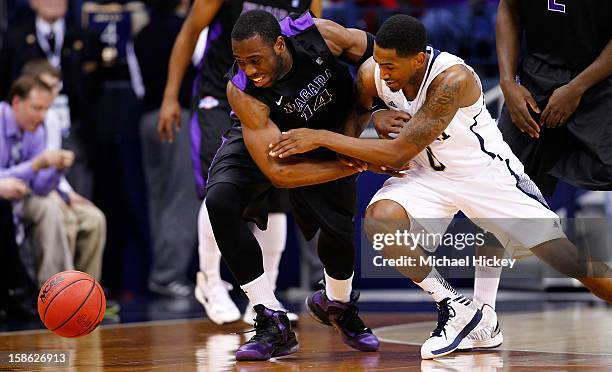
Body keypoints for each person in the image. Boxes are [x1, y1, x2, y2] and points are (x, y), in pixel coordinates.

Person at [268, 14, 612, 359]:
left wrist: (318, 137)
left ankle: (485, 318)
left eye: (391, 66)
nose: (384, 74)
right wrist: (374, 116)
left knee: (573, 263)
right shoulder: (373, 73)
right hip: (429, 176)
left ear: (418, 60)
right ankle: (455, 306)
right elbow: (359, 109)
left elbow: (398, 152)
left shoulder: (452, 79)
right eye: (380, 64)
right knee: (380, 217)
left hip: (484, 177)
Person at [205, 10, 381, 360]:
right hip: (266, 136)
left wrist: (377, 112)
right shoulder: (242, 90)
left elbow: (384, 60)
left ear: (281, 45)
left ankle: (339, 304)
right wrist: (355, 164)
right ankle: (270, 319)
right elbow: (279, 174)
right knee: (220, 198)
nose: (249, 70)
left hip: (326, 131)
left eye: (256, 60)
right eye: (241, 62)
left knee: (339, 234)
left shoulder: (322, 36)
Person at [158, 0, 321, 324]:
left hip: (272, 99)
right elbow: (190, 32)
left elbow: (314, 44)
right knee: (221, 184)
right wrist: (170, 96)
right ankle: (209, 279)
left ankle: (265, 298)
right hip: (219, 95)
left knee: (277, 193)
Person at [496, 0, 612, 195]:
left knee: (606, 168)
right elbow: (509, 8)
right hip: (538, 72)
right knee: (501, 170)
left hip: (599, 74)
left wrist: (576, 87)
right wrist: (507, 82)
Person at [0, 0, 101, 198]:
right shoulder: (15, 38)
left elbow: (95, 89)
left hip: (77, 127)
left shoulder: (85, 36)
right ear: (32, 2)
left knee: (82, 200)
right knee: (39, 199)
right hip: (27, 131)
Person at [134, 0, 199, 298]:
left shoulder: (140, 34)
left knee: (159, 200)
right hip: (178, 117)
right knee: (180, 198)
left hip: (148, 118)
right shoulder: (188, 30)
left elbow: (137, 84)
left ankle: (162, 272)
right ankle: (168, 275)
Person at [21, 59, 106, 283]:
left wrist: (69, 194)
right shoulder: (20, 114)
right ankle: (57, 295)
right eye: (48, 87)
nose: (52, 94)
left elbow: (54, 167)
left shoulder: (51, 118)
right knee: (64, 219)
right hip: (30, 189)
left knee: (94, 219)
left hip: (50, 186)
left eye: (56, 89)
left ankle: (86, 295)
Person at [0, 75, 74, 286]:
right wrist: (34, 165)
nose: (42, 116)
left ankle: (55, 290)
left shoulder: (36, 130)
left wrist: (56, 170)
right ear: (16, 102)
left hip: (19, 199)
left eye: (46, 109)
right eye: (37, 108)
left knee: (48, 207)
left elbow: (40, 188)